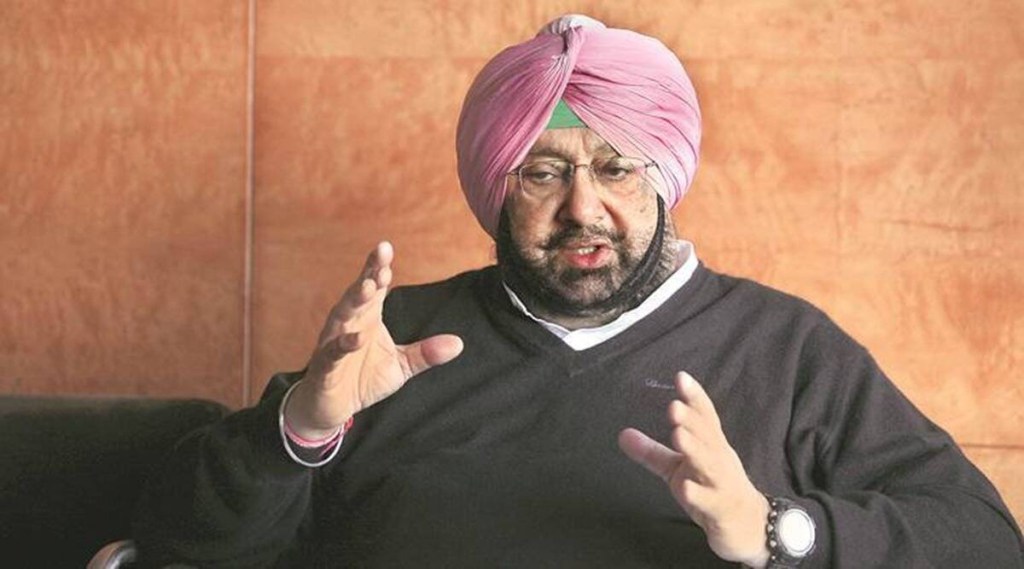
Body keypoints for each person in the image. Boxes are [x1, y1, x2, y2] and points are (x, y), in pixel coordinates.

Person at [134, 15, 1023, 568]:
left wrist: (774, 528)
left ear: (663, 180)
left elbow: (983, 540)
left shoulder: (785, 348)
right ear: (496, 186)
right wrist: (299, 428)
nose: (583, 208)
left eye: (615, 168)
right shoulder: (397, 340)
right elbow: (181, 539)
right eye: (543, 172)